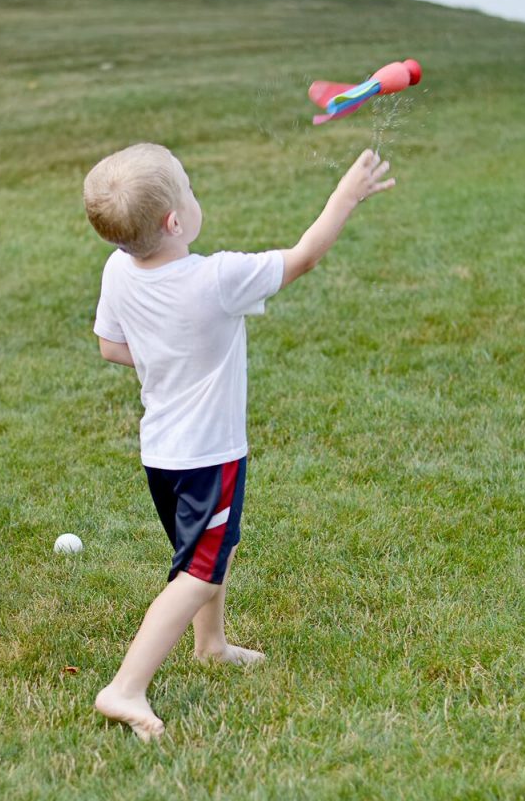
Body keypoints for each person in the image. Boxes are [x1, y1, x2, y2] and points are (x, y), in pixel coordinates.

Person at [83, 142, 394, 740]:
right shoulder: (217, 278)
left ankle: (212, 644)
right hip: (208, 457)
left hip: (161, 454)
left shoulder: (118, 269)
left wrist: (164, 359)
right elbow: (302, 258)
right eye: (190, 189)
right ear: (176, 221)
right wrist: (345, 195)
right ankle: (124, 687)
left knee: (204, 552)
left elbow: (110, 346)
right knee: (196, 571)